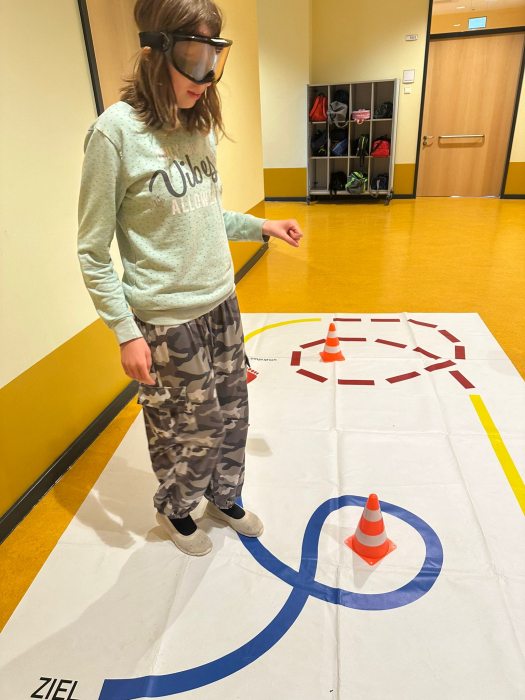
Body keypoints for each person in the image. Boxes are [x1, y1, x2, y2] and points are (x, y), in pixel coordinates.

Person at [77, 0, 303, 556]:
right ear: (157, 52)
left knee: (233, 416)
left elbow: (204, 214)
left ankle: (224, 497)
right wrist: (126, 332)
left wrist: (261, 226)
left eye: (214, 59)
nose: (205, 78)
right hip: (165, 320)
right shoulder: (114, 135)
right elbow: (92, 251)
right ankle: (175, 509)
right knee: (189, 427)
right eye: (194, 58)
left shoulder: (198, 126)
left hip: (221, 304)